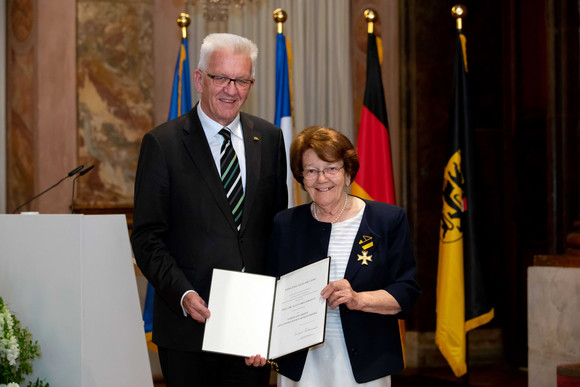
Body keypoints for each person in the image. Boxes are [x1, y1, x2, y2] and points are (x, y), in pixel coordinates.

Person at [131, 33, 288, 386]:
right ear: (200, 79)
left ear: (251, 84)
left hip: (251, 332)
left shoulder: (270, 138)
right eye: (221, 78)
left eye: (242, 80)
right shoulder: (163, 144)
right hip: (190, 327)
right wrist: (183, 294)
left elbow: (276, 228)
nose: (231, 90)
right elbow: (146, 237)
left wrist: (275, 313)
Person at [266, 126, 421, 386]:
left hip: (366, 362)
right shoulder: (285, 223)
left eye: (331, 168)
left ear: (348, 172)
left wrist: (358, 299)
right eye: (312, 170)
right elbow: (270, 291)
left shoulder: (387, 220)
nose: (322, 178)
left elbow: (406, 292)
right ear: (301, 178)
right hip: (301, 362)